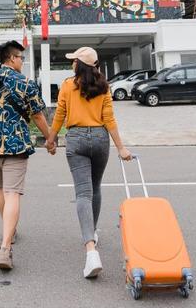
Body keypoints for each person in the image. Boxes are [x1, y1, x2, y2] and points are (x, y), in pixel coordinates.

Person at [0, 40, 56, 271]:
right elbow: (37, 116)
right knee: (13, 193)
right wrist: (50, 138)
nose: (22, 62)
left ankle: (10, 232)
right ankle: (5, 247)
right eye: (21, 58)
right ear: (12, 58)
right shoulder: (26, 83)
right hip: (16, 146)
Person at [46, 47, 132, 279]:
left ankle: (91, 249)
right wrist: (121, 148)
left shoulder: (67, 85)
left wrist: (51, 140)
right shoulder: (104, 86)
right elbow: (109, 119)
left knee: (83, 193)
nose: (72, 64)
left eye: (74, 61)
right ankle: (92, 231)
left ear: (79, 65)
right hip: (100, 139)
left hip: (75, 139)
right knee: (95, 188)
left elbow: (60, 115)